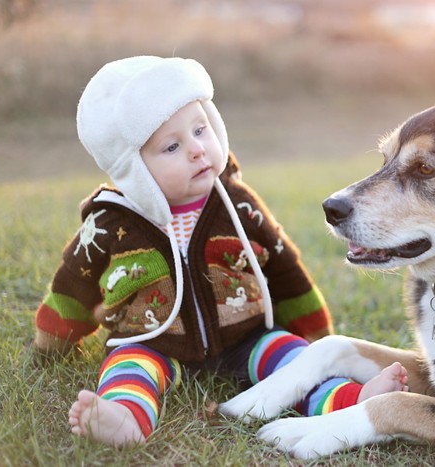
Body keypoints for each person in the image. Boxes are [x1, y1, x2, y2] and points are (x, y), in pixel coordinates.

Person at [32, 56, 408, 447]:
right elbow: (73, 283)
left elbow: (283, 266)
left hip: (244, 338)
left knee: (292, 359)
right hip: (151, 341)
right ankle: (126, 419)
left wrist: (313, 331)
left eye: (200, 129)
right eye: (172, 146)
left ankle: (351, 399)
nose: (197, 149)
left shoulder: (238, 204)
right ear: (132, 169)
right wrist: (51, 342)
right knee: (128, 368)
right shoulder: (111, 223)